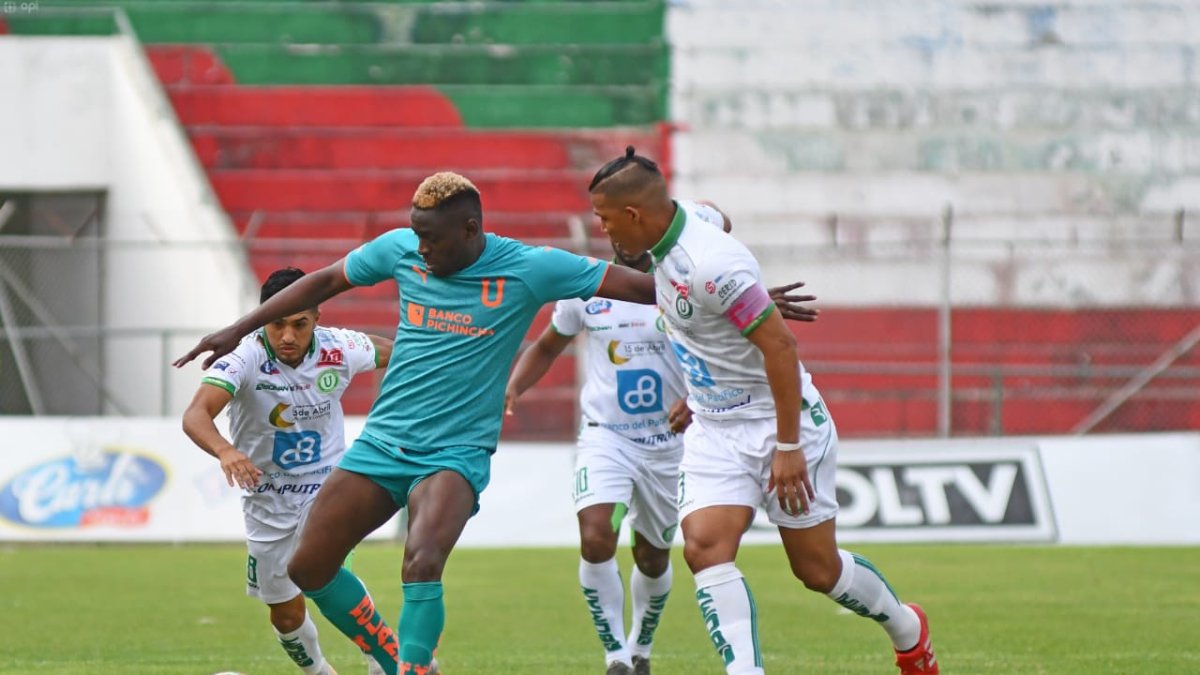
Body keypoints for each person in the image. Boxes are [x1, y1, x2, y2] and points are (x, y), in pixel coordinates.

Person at [174, 172, 663, 675]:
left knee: (422, 561)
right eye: (417, 233)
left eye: (432, 237)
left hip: (455, 452)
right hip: (385, 441)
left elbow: (647, 289)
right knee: (307, 565)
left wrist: (695, 261)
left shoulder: (531, 267)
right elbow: (323, 281)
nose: (421, 247)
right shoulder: (401, 249)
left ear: (471, 229)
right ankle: (399, 658)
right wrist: (238, 329)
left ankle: (409, 668)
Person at [586, 148, 939, 675]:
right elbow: (715, 217)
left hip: (780, 422)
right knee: (704, 547)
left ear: (634, 215)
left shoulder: (710, 266)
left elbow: (781, 348)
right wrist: (737, 316)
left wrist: (789, 447)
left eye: (604, 219)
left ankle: (907, 629)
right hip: (713, 427)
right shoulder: (684, 225)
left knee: (818, 571)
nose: (603, 231)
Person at [504, 207, 818, 675]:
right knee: (595, 535)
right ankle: (614, 657)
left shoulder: (683, 283)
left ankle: (640, 649)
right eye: (608, 229)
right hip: (606, 437)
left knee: (652, 556)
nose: (615, 237)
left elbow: (720, 223)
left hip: (673, 444)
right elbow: (549, 344)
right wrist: (512, 387)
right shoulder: (586, 290)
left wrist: (752, 300)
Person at [181, 267, 395, 675]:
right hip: (268, 501)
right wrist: (226, 451)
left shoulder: (341, 347)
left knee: (322, 571)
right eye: (278, 324)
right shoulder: (246, 356)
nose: (288, 337)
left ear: (317, 317)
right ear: (264, 318)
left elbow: (403, 355)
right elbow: (195, 415)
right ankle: (320, 672)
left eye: (300, 324)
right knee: (285, 615)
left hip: (328, 489)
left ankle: (387, 659)